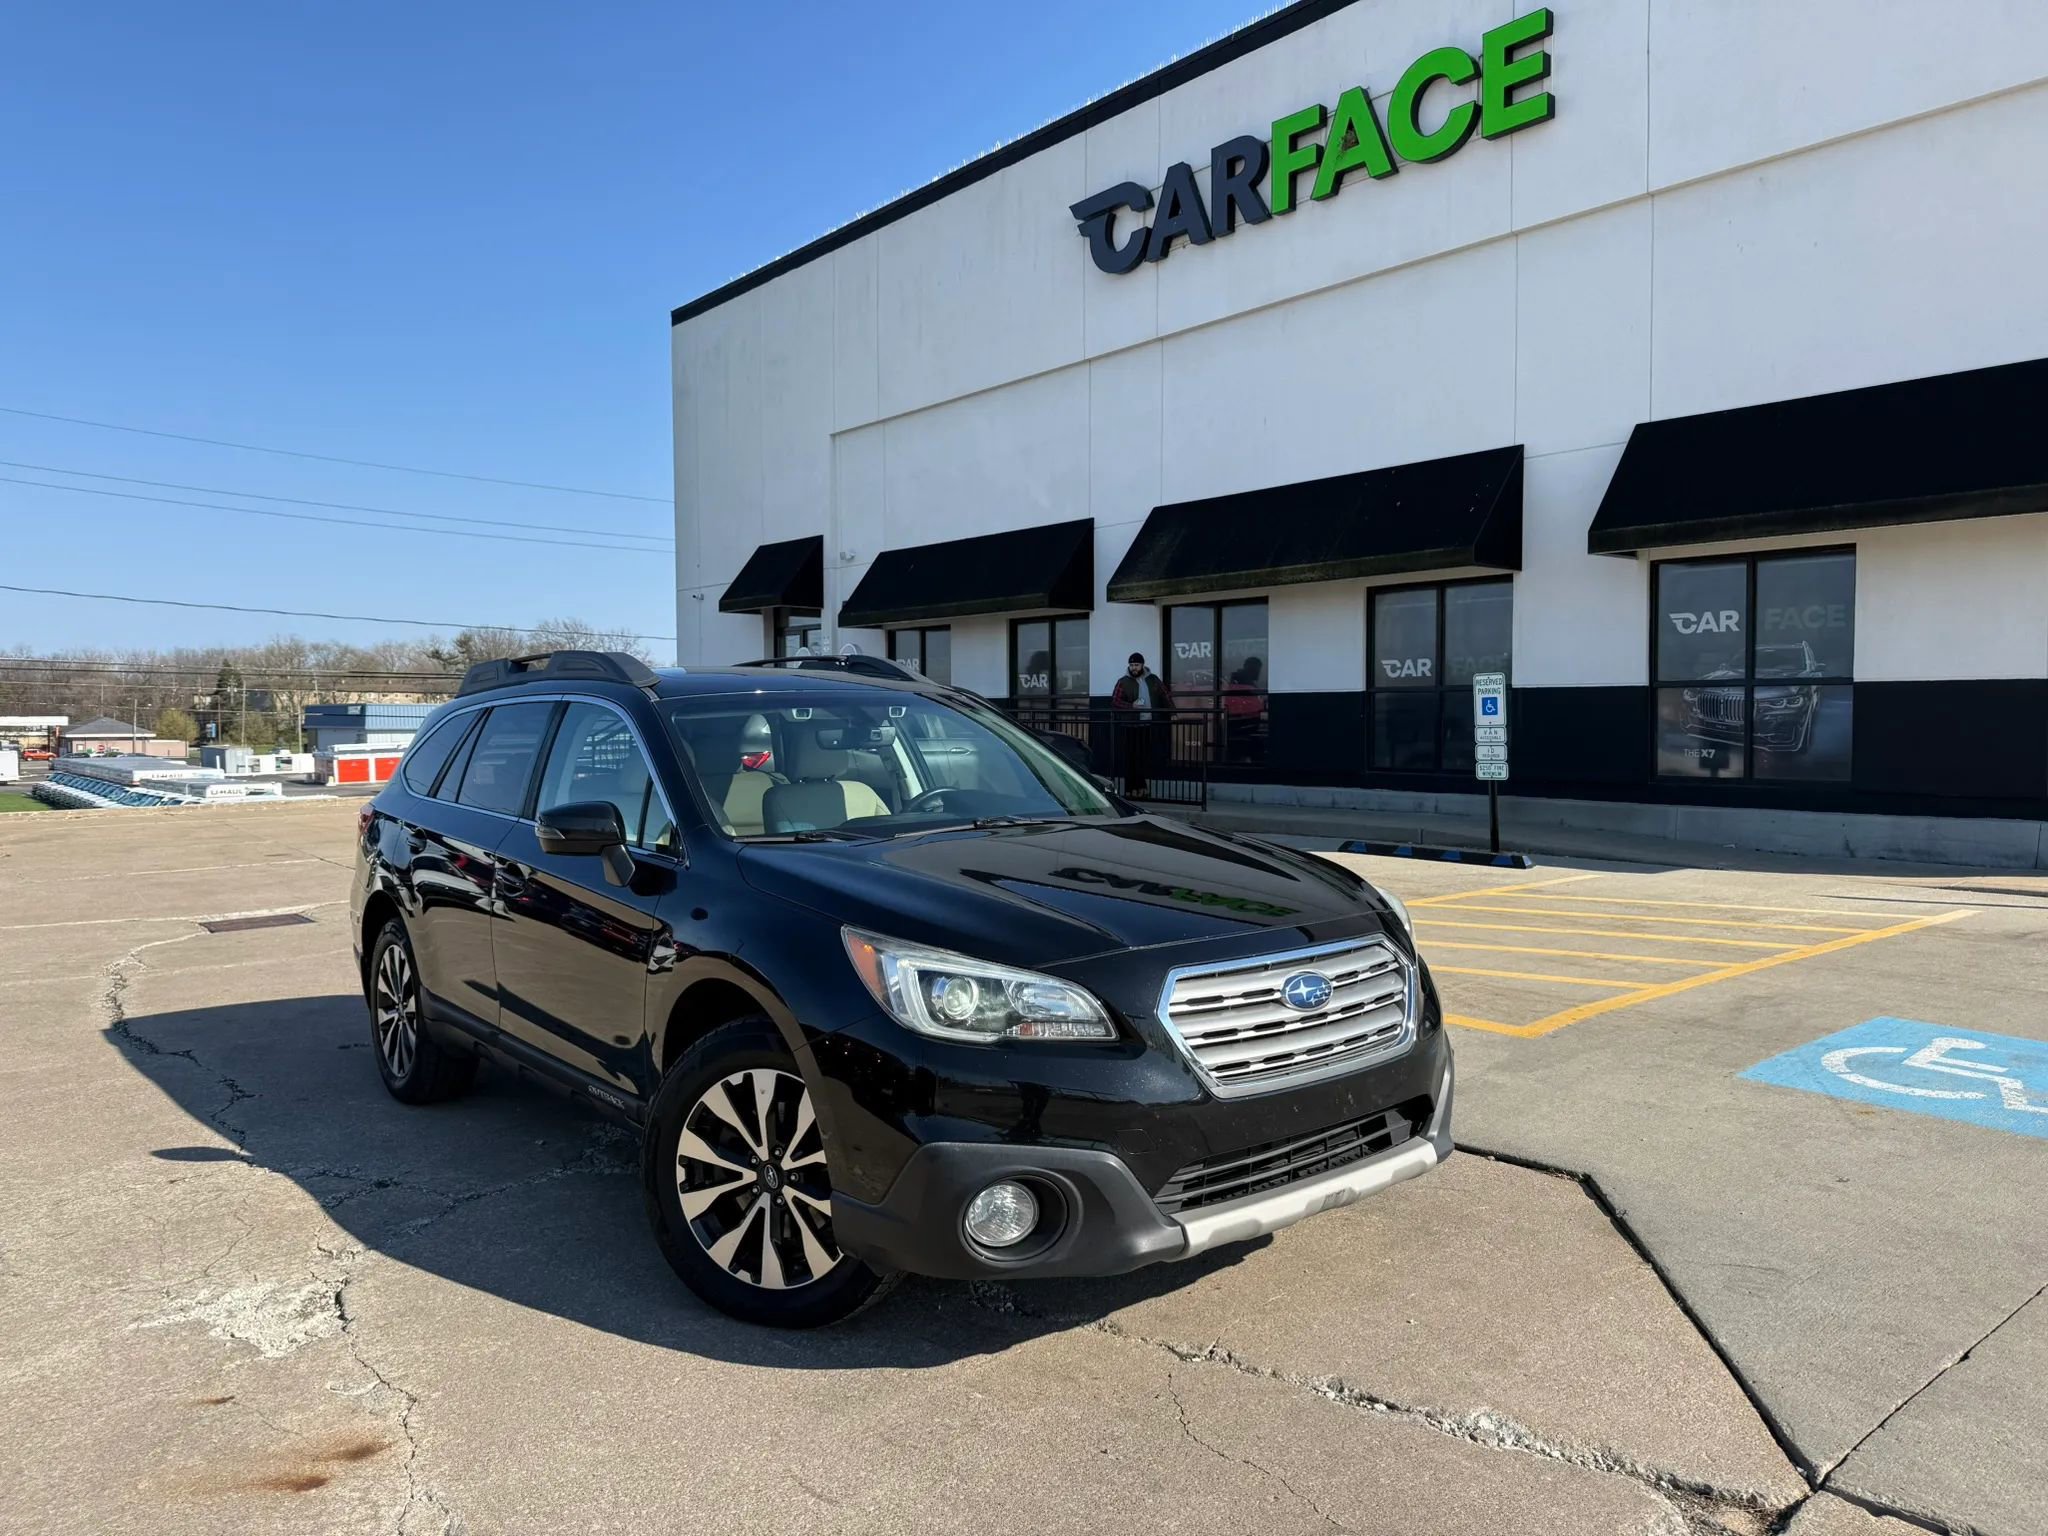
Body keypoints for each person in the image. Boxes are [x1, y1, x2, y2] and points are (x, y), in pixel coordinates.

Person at [1110, 651, 1168, 797]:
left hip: (1148, 724)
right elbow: (1115, 702)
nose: (1133, 668)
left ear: (1142, 665)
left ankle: (1141, 787)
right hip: (1130, 724)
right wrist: (1131, 706)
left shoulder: (1153, 679)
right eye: (1131, 665)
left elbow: (1165, 695)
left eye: (1136, 665)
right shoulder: (1123, 681)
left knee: (1142, 757)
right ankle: (1130, 789)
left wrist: (1172, 712)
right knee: (1130, 757)